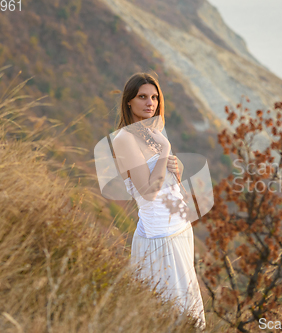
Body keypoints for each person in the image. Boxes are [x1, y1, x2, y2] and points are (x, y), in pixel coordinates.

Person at [111, 73, 206, 330]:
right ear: (128, 101)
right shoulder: (125, 139)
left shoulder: (152, 133)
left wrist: (177, 167)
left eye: (154, 97)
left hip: (179, 229)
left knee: (186, 309)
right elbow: (148, 192)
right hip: (159, 236)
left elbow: (169, 185)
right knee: (169, 311)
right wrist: (165, 151)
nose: (150, 102)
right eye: (142, 96)